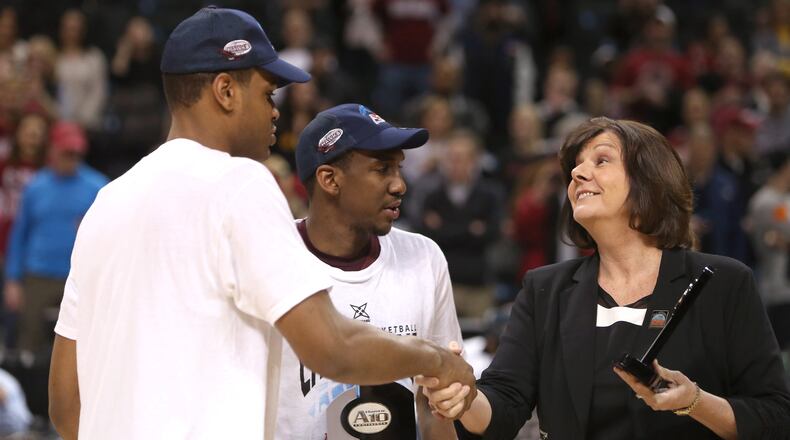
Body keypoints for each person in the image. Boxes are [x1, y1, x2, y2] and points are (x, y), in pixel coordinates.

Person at [47, 7, 475, 440]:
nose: (275, 112)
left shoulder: (107, 201)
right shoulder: (239, 183)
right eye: (268, 94)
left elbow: (66, 406)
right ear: (226, 90)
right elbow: (333, 349)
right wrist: (435, 359)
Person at [420, 117, 790, 439]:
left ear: (648, 179)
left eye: (601, 160)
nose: (578, 174)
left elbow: (775, 417)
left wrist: (695, 402)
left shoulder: (723, 283)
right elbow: (504, 406)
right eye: (576, 167)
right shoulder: (544, 289)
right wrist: (465, 396)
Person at [276, 103, 462, 439]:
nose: (400, 185)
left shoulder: (424, 257)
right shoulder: (269, 259)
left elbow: (437, 406)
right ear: (330, 179)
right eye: (382, 169)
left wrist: (449, 400)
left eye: (399, 169)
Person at [4, 121, 106, 353]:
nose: (72, 158)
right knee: (29, 340)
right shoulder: (35, 187)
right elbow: (20, 235)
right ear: (53, 150)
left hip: (79, 277)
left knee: (81, 342)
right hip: (38, 276)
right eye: (66, 152)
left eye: (76, 153)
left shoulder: (98, 187)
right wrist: (13, 279)